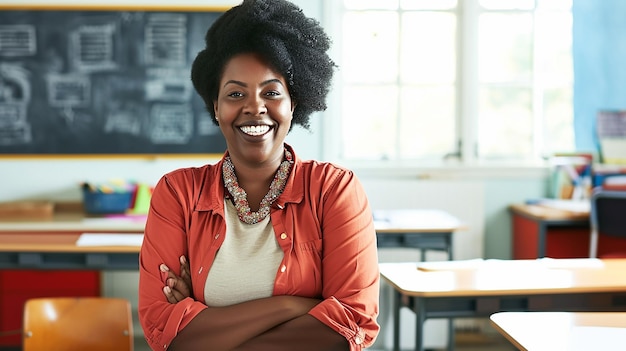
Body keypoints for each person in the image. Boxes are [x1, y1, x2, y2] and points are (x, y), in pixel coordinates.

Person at [137, 0, 380, 350]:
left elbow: (352, 324)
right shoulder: (177, 193)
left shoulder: (334, 190)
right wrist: (294, 306)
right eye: (236, 93)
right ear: (216, 107)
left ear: (293, 104)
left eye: (271, 92)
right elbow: (163, 330)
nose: (255, 107)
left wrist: (204, 323)